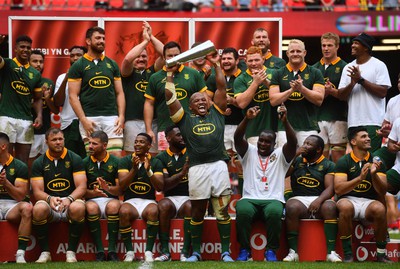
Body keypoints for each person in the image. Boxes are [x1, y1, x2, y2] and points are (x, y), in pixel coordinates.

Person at [164, 52, 234, 262]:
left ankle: (225, 252)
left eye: (204, 99)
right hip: (196, 168)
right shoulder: (184, 119)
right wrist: (168, 75)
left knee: (222, 212)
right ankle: (195, 252)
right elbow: (170, 97)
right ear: (191, 106)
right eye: (196, 101)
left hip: (219, 167)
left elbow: (221, 88)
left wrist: (217, 66)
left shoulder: (217, 111)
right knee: (197, 212)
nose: (201, 102)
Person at [234, 105, 297, 262]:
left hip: (273, 199)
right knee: (242, 210)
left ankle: (271, 251)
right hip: (250, 198)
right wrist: (247, 119)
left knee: (275, 212)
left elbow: (293, 142)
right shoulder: (249, 151)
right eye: (261, 140)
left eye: (267, 142)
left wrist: (285, 122)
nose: (262, 144)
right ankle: (244, 250)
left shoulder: (281, 154)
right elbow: (237, 138)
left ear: (274, 144)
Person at [334, 127, 392, 263]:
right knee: (344, 206)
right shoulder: (344, 161)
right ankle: (348, 255)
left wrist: (374, 175)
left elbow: (382, 191)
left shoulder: (377, 161)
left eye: (368, 136)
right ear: (353, 141)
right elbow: (338, 189)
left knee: (380, 208)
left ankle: (381, 255)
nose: (368, 138)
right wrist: (359, 179)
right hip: (349, 199)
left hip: (369, 201)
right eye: (363, 136)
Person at [31, 128, 87, 263]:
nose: (58, 142)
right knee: (38, 209)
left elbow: (82, 187)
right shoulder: (39, 162)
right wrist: (49, 198)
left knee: (78, 208)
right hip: (50, 201)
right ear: (46, 142)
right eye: (54, 140)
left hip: (70, 200)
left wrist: (69, 199)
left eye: (60, 139)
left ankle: (71, 252)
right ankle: (45, 252)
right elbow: (37, 191)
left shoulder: (75, 158)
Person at [68, 26, 125, 157]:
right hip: (89, 118)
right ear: (88, 41)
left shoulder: (112, 64)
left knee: (115, 155)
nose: (102, 41)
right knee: (93, 157)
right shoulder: (78, 65)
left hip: (112, 117)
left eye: (104, 38)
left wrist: (121, 116)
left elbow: (120, 93)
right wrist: (83, 120)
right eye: (98, 38)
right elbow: (73, 96)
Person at [283, 135, 341, 262]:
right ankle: (293, 252)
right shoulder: (298, 161)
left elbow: (330, 188)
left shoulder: (328, 164)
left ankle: (331, 252)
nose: (305, 146)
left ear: (319, 149)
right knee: (291, 207)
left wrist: (318, 201)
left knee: (330, 207)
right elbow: (283, 173)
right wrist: (294, 155)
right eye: (304, 143)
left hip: (320, 198)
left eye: (309, 144)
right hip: (299, 199)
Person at [144, 41, 207, 151]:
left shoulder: (193, 74)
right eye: (170, 56)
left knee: (191, 162)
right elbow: (149, 104)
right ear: (163, 57)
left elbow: (205, 99)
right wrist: (149, 129)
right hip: (165, 130)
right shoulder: (155, 77)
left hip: (192, 127)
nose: (173, 58)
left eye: (176, 55)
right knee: (166, 162)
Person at [337, 32, 391, 153]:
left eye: (356, 43)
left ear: (366, 47)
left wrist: (361, 80)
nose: (352, 45)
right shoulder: (348, 67)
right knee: (355, 161)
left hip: (373, 122)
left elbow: (383, 92)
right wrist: (352, 83)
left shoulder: (379, 65)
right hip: (353, 122)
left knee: (369, 159)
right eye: (353, 43)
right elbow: (341, 96)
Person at [269, 39, 325, 147]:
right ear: (287, 53)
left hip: (308, 126)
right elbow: (273, 100)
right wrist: (291, 90)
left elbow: (319, 99)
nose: (295, 54)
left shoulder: (315, 72)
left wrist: (301, 88)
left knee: (308, 158)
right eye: (292, 51)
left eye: (298, 51)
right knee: (286, 160)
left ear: (304, 53)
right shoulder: (278, 73)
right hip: (284, 127)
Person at [118, 133, 164, 262]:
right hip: (130, 201)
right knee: (123, 211)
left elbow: (160, 187)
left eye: (142, 142)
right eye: (136, 141)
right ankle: (130, 252)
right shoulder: (125, 160)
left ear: (149, 146)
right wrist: (133, 169)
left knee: (153, 211)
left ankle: (148, 251)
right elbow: (122, 186)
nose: (137, 144)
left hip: (148, 201)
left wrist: (149, 171)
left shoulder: (156, 162)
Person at [121, 21, 164, 156]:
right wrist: (145, 42)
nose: (141, 59)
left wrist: (151, 37)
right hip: (132, 121)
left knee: (154, 157)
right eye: (138, 56)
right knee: (132, 156)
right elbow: (127, 60)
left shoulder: (153, 72)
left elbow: (165, 55)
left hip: (154, 123)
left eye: (144, 56)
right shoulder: (127, 74)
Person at [0, 34, 43, 165]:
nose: (25, 50)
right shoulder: (8, 64)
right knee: (4, 157)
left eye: (28, 47)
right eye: (22, 47)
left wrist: (39, 116)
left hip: (26, 119)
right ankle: (4, 185)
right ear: (15, 49)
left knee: (23, 161)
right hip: (7, 117)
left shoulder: (35, 73)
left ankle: (21, 185)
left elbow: (37, 99)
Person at [154, 125, 191, 262]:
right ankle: (165, 251)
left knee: (191, 207)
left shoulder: (192, 153)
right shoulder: (161, 158)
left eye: (183, 135)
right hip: (170, 198)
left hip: (189, 197)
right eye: (179, 135)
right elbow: (163, 186)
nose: (182, 137)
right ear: (168, 138)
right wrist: (182, 174)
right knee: (163, 205)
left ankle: (185, 252)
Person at [84, 131, 121, 261]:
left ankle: (111, 251)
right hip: (91, 200)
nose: (90, 146)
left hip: (111, 199)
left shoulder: (116, 162)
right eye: (89, 143)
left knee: (113, 206)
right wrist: (93, 193)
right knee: (91, 208)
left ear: (104, 146)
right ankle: (100, 251)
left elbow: (120, 191)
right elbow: (81, 190)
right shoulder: (83, 162)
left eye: (94, 143)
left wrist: (107, 188)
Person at [312, 33, 348, 163]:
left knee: (338, 158)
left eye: (329, 45)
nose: (326, 48)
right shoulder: (314, 68)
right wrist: (321, 93)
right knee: (319, 157)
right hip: (317, 118)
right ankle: (323, 184)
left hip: (338, 117)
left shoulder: (345, 67)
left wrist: (331, 91)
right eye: (323, 45)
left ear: (337, 46)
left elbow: (348, 95)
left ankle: (338, 183)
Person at [234, 46, 276, 144]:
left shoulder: (274, 73)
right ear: (245, 61)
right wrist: (255, 82)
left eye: (257, 60)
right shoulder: (241, 79)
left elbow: (280, 95)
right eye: (250, 61)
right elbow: (241, 104)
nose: (253, 63)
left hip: (276, 128)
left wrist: (265, 80)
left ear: (263, 59)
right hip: (253, 131)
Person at [0, 132, 31, 263]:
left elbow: (20, 196)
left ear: (3, 147)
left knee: (28, 207)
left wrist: (5, 183)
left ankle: (20, 254)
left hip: (12, 205)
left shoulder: (19, 166)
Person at [53, 45, 87, 159]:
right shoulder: (62, 77)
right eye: (72, 55)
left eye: (79, 55)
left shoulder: (91, 75)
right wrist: (66, 78)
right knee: (70, 160)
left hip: (88, 123)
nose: (75, 58)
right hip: (68, 124)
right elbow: (58, 102)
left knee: (88, 158)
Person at [28, 50, 59, 162]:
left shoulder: (48, 83)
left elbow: (55, 110)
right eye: (35, 61)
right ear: (28, 62)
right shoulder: (23, 80)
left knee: (46, 165)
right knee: (29, 166)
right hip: (28, 131)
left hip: (46, 131)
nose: (38, 64)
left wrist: (46, 98)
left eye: (41, 61)